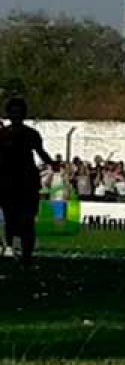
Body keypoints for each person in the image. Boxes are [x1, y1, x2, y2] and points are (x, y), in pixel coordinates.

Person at [0, 97, 54, 264]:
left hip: (26, 182)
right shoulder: (3, 134)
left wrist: (53, 163)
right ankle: (9, 248)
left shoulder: (30, 134)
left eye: (19, 112)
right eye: (13, 112)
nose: (16, 115)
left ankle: (26, 254)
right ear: (8, 114)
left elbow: (41, 152)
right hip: (8, 182)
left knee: (27, 220)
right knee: (10, 218)